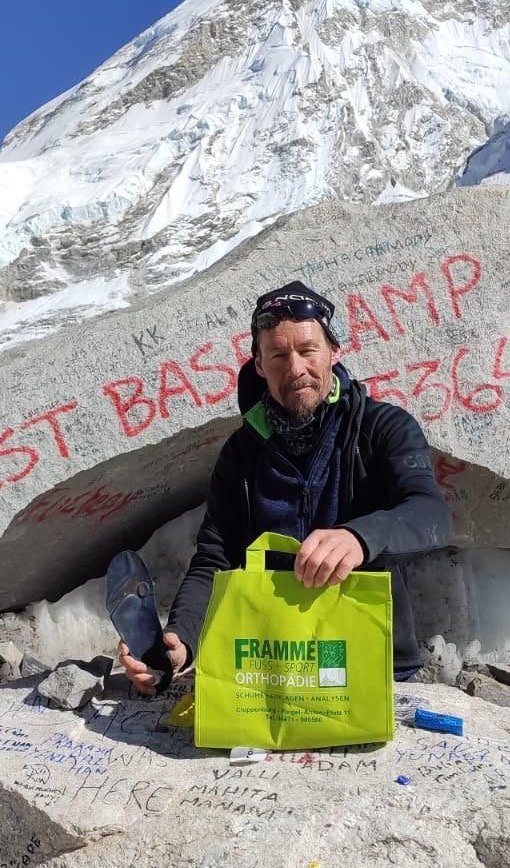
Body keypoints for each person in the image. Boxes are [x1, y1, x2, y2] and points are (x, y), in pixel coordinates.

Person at [117, 281, 452, 694]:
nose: (295, 368)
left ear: (333, 351)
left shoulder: (383, 428)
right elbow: (214, 562)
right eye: (278, 355)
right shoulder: (240, 454)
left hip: (370, 661)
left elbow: (430, 515)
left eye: (308, 350)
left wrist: (360, 538)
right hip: (271, 664)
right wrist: (180, 643)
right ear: (259, 365)